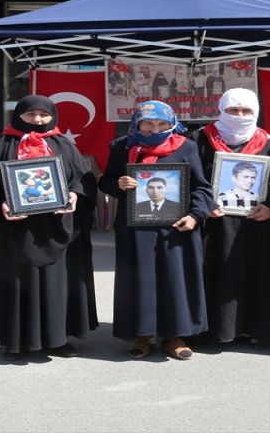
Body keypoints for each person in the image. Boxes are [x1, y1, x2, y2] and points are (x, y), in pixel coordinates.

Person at [0, 95, 98, 361]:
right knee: (18, 281)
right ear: (19, 115)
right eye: (30, 115)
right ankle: (16, 341)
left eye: (44, 115)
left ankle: (57, 339)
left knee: (57, 283)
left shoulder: (62, 143)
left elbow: (84, 180)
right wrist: (0, 204)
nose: (38, 120)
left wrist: (75, 195)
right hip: (16, 230)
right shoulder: (2, 144)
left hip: (57, 227)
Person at [99, 100, 214, 361]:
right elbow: (105, 181)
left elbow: (201, 187)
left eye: (162, 124)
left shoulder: (186, 146)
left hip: (177, 226)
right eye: (148, 124)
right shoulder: (121, 146)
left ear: (172, 123)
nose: (155, 129)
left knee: (174, 279)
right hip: (135, 228)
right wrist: (118, 184)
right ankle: (141, 334)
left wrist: (195, 216)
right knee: (139, 280)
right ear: (136, 123)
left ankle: (175, 336)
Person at [189, 87, 270, 346]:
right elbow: (190, 177)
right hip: (213, 221)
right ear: (221, 109)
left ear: (256, 112)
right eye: (233, 110)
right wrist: (203, 204)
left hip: (255, 222)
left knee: (253, 273)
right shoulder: (199, 138)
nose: (239, 115)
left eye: (246, 110)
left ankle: (251, 328)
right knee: (213, 272)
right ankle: (211, 330)